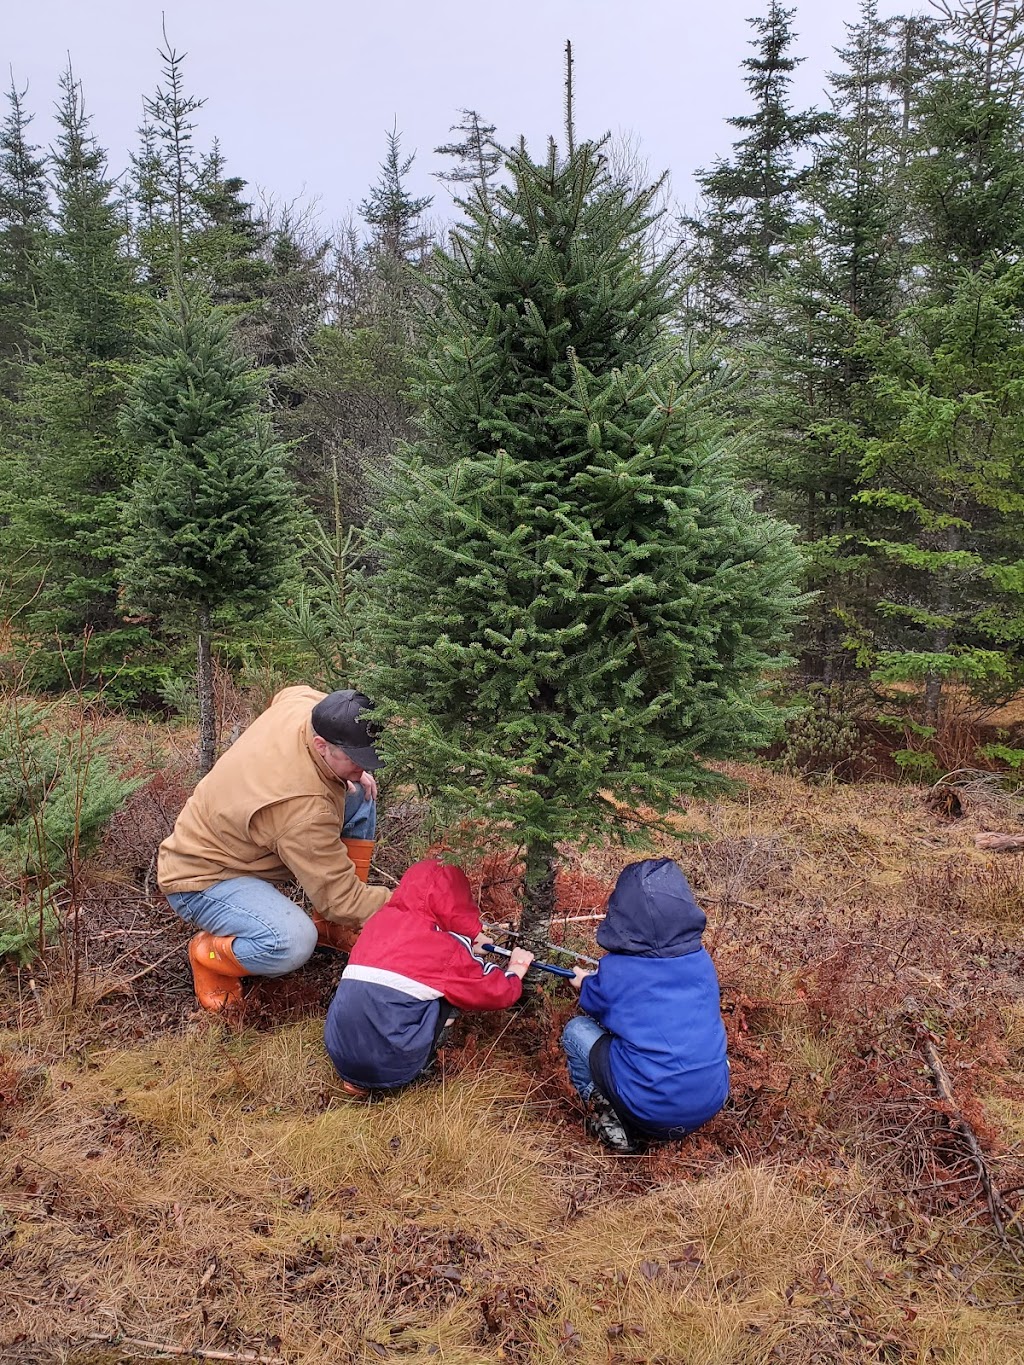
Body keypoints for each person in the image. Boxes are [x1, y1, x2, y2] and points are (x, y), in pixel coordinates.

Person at [159, 685, 391, 1011]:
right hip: (202, 877)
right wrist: (407, 907)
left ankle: (332, 927)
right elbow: (343, 899)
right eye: (355, 759)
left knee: (360, 796)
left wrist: (351, 770)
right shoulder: (304, 809)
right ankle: (209, 955)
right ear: (321, 745)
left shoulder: (307, 708)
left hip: (235, 835)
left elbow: (287, 692)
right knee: (292, 942)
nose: (364, 768)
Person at [324, 859, 534, 1096]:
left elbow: (416, 956)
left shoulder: (377, 924)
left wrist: (467, 943)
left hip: (337, 1047)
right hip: (392, 1064)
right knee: (449, 998)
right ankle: (399, 1074)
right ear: (457, 901)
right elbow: (493, 990)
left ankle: (355, 1078)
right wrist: (516, 969)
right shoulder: (447, 950)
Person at [561, 858, 729, 1154]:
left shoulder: (619, 969)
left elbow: (593, 1002)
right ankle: (673, 1110)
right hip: (710, 1100)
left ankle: (606, 1114)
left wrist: (583, 981)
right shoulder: (701, 960)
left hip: (648, 1108)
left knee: (576, 1030)